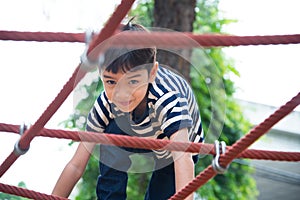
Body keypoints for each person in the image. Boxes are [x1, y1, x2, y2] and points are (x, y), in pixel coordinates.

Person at [52, 20, 203, 200]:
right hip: (131, 130)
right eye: (111, 82)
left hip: (174, 146)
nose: (121, 94)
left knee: (162, 193)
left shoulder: (167, 99)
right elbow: (76, 165)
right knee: (110, 134)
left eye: (132, 82)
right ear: (101, 75)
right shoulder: (106, 103)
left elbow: (183, 158)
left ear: (152, 73)